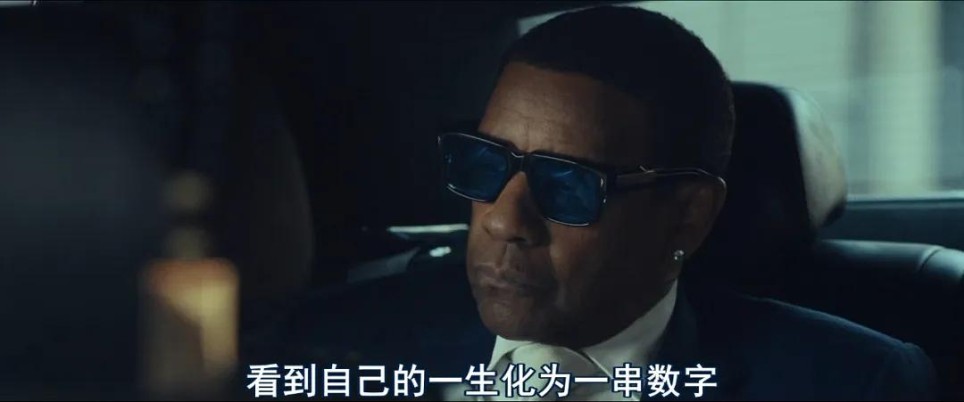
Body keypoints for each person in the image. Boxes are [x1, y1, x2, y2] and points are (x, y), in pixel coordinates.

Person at [256, 5, 937, 401]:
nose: (504, 220)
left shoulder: (849, 382)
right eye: (485, 164)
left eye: (567, 183)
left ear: (687, 214)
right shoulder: (327, 349)